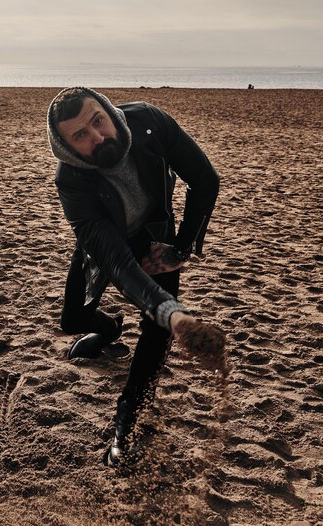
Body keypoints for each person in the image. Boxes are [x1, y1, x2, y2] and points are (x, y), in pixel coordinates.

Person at [47, 87, 220, 466]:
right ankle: (108, 330)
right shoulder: (72, 183)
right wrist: (173, 312)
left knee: (155, 334)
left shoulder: (149, 123)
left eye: (98, 121)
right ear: (68, 148)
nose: (97, 137)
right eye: (80, 136)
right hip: (104, 244)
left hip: (156, 234)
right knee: (72, 319)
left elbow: (205, 180)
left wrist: (180, 248)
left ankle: (130, 419)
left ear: (109, 111)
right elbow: (118, 264)